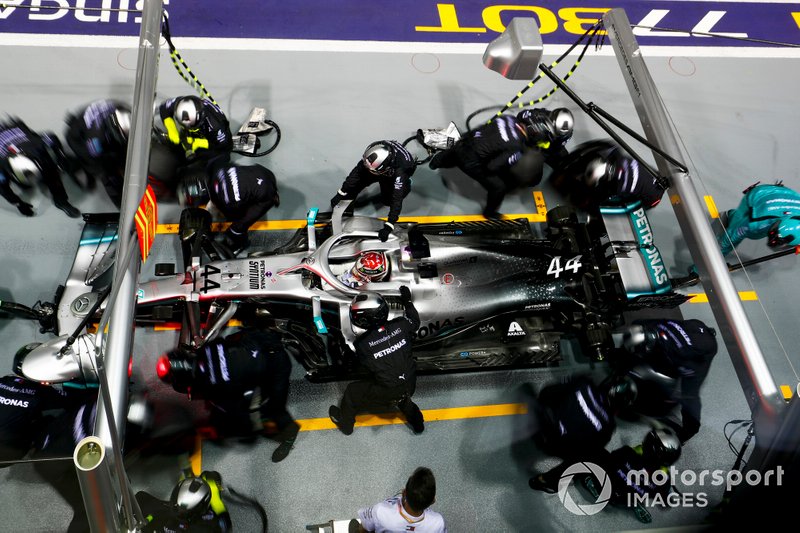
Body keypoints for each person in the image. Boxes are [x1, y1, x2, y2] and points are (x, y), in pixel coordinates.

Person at [157, 328, 300, 462]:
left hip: (276, 367)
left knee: (275, 409)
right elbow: (230, 340)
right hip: (263, 343)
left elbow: (239, 405)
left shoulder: (213, 385)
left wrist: (248, 427)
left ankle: (289, 436)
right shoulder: (208, 348)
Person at [530, 426, 682, 524]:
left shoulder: (628, 453)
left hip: (606, 487)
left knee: (591, 452)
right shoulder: (663, 480)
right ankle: (634, 504)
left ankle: (552, 482)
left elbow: (612, 459)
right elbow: (665, 503)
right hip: (624, 499)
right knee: (636, 492)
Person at [329, 287, 424, 435]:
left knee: (352, 392)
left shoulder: (362, 344)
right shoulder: (401, 324)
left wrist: (339, 344)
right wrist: (407, 300)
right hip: (410, 383)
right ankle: (418, 425)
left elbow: (356, 366)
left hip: (386, 391)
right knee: (404, 397)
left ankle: (346, 425)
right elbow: (415, 320)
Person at [613, 318, 718, 443]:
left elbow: (679, 384)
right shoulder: (646, 324)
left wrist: (647, 373)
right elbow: (637, 326)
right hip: (692, 327)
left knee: (689, 395)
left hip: (701, 349)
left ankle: (691, 429)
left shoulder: (681, 355)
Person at [427, 113, 549, 219]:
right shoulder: (517, 147)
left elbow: (481, 129)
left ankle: (435, 162)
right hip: (469, 161)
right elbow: (492, 167)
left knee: (456, 154)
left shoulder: (508, 118)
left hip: (463, 144)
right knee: (499, 187)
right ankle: (489, 213)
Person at [177, 162, 281, 256]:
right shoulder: (216, 169)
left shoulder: (226, 200)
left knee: (236, 228)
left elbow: (238, 213)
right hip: (263, 172)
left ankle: (241, 245)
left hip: (266, 194)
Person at [330, 140, 416, 242]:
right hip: (381, 170)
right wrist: (341, 193)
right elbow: (356, 173)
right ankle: (348, 201)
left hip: (393, 175)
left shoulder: (401, 171)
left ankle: (407, 183)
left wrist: (389, 225)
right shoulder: (373, 150)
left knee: (387, 201)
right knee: (358, 181)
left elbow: (396, 199)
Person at [550, 139, 666, 210]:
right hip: (653, 176)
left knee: (597, 205)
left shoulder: (616, 187)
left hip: (651, 198)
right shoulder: (616, 156)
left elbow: (603, 202)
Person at [0, 117, 81, 217]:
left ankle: (61, 201)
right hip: (10, 151)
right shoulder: (1, 169)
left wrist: (61, 158)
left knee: (51, 173)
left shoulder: (37, 145)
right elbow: (3, 189)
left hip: (25, 143)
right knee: (26, 186)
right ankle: (23, 183)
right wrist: (18, 203)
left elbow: (51, 137)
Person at [64, 99, 131, 207]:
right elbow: (98, 158)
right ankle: (121, 205)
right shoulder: (95, 136)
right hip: (78, 139)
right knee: (106, 172)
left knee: (119, 153)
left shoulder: (122, 108)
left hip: (88, 124)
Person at [350, 467, 447, 533]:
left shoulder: (381, 511)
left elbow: (365, 527)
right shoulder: (438, 522)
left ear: (404, 492)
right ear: (433, 500)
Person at [715, 181, 800, 256]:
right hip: (759, 194)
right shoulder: (757, 223)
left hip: (782, 198)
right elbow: (732, 236)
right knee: (749, 233)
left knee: (758, 231)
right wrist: (718, 254)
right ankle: (731, 217)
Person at [157, 95, 233, 175]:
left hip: (217, 142)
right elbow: (164, 108)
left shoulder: (215, 125)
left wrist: (199, 143)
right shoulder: (182, 103)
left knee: (214, 163)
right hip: (197, 134)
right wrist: (172, 130)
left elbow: (224, 145)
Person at [136, 470, 232, 532]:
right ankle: (194, 479)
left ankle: (210, 484)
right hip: (179, 517)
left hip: (210, 517)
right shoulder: (174, 510)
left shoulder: (211, 526)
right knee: (140, 499)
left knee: (211, 479)